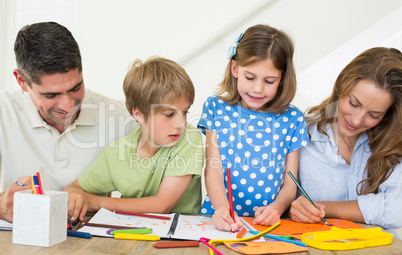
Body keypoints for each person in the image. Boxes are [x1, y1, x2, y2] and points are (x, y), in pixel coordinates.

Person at [0, 21, 136, 222]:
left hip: (88, 245)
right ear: (21, 81)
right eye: (51, 94)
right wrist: (2, 206)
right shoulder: (4, 113)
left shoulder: (121, 119)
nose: (67, 105)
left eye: (75, 88)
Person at [63, 57, 204, 222]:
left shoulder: (188, 138)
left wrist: (96, 202)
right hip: (130, 235)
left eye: (185, 112)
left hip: (180, 237)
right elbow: (72, 188)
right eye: (169, 114)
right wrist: (76, 194)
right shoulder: (116, 152)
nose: (181, 123)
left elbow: (162, 206)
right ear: (139, 114)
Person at [198, 24, 310, 231]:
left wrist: (276, 208)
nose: (257, 89)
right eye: (250, 77)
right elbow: (213, 169)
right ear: (235, 69)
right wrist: (223, 209)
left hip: (270, 225)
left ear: (282, 79)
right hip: (218, 220)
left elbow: (290, 182)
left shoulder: (293, 119)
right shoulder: (215, 108)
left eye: (269, 81)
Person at [290, 47, 402, 230]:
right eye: (354, 104)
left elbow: (396, 211)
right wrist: (294, 209)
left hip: (378, 254)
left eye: (374, 115)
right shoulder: (303, 136)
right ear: (342, 86)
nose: (356, 120)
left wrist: (323, 208)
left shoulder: (394, 144)